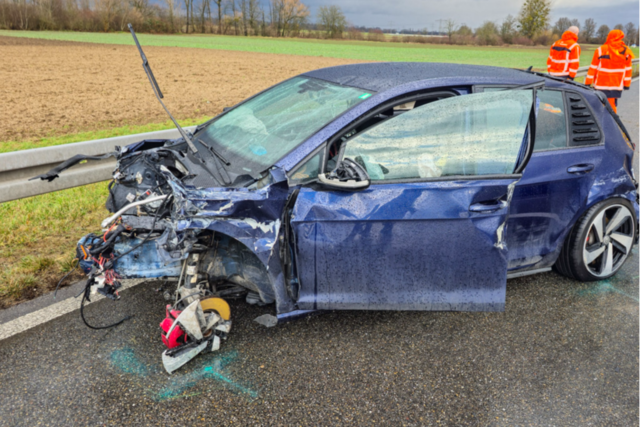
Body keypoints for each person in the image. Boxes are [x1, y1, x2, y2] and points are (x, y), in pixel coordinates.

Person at [585, 29, 635, 114]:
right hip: (616, 85)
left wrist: (587, 83)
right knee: (612, 106)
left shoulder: (600, 49)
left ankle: (601, 123)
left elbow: (593, 68)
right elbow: (628, 70)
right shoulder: (626, 51)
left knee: (599, 106)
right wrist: (626, 85)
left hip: (600, 85)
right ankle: (611, 123)